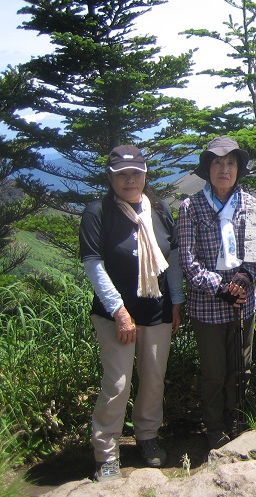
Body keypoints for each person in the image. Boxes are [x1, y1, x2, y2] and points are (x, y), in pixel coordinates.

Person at [79, 145, 184, 482]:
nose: (129, 179)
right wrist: (119, 311)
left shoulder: (159, 210)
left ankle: (147, 437)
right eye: (122, 174)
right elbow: (94, 265)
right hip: (115, 315)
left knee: (154, 378)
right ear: (111, 177)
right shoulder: (99, 213)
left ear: (145, 174)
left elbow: (174, 259)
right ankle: (106, 452)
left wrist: (177, 302)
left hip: (158, 308)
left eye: (135, 172)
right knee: (118, 382)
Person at [178, 136, 256, 450]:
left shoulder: (250, 204)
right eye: (217, 162)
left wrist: (245, 277)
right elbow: (188, 261)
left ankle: (237, 418)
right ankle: (214, 425)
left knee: (241, 366)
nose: (224, 169)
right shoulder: (191, 207)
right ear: (208, 169)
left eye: (230, 163)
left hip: (244, 301)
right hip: (208, 306)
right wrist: (220, 288)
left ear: (238, 169)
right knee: (214, 370)